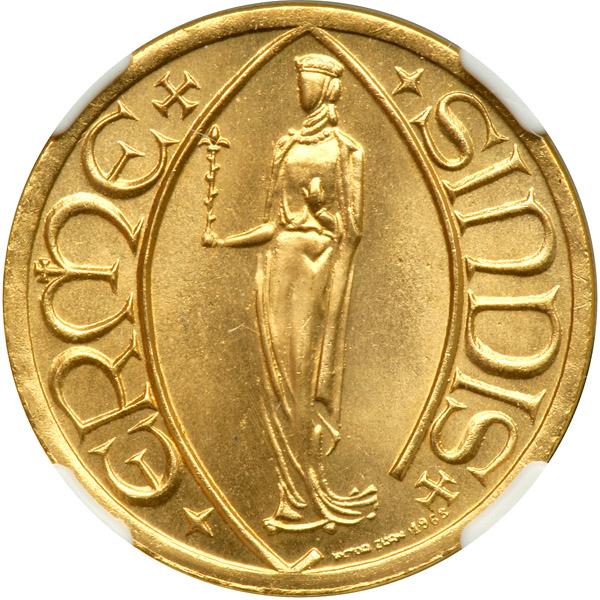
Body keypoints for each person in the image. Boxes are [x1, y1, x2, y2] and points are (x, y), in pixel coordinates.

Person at [203, 53, 377, 532]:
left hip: (315, 269)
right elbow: (271, 225)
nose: (300, 88)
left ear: (326, 88)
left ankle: (308, 494)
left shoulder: (346, 151)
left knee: (300, 378)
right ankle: (291, 498)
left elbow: (351, 231)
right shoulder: (285, 145)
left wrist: (320, 211)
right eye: (300, 80)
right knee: (275, 380)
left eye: (307, 80)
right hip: (277, 268)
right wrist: (224, 241)